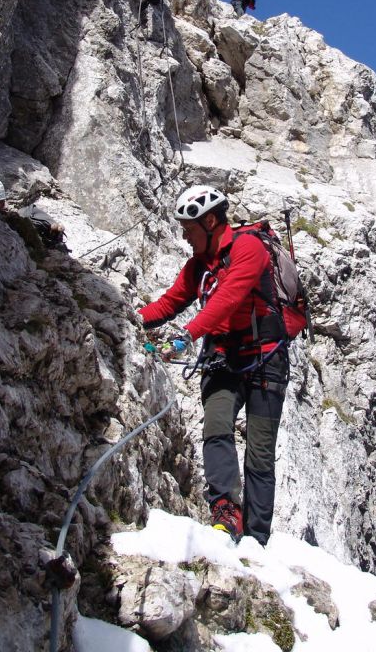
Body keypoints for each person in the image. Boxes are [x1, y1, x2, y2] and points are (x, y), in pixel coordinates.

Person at [139, 186, 289, 546]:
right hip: (222, 357)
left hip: (266, 358)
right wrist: (127, 318)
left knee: (260, 452)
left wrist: (186, 337)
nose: (184, 236)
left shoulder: (248, 248)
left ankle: (256, 539)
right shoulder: (197, 268)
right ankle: (224, 511)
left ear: (209, 221)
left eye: (188, 229)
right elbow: (168, 304)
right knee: (217, 427)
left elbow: (229, 297)